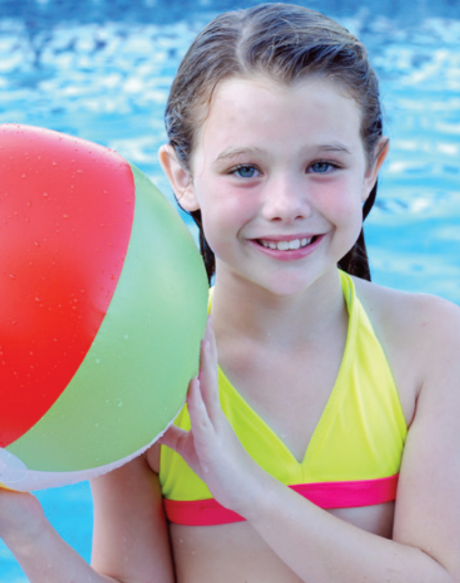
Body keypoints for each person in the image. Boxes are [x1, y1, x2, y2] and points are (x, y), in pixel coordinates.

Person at [1, 3, 460, 582]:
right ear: (182, 177)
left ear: (373, 168)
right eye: (245, 170)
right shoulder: (141, 369)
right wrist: (24, 529)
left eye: (322, 164)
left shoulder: (430, 346)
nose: (286, 204)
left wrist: (248, 492)